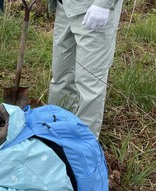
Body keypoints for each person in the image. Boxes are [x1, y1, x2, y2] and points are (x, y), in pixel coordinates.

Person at [48, 0, 123, 138]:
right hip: (65, 6)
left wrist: (103, 4)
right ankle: (56, 132)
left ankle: (84, 145)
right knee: (61, 76)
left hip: (92, 8)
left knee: (89, 83)